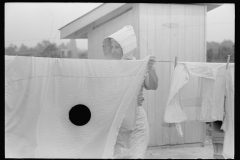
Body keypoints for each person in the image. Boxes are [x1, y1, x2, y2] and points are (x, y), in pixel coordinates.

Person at [102, 25, 158, 159]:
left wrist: (151, 68)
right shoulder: (108, 67)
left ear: (127, 47)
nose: (113, 50)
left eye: (117, 47)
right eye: (112, 47)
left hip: (137, 122)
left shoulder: (139, 65)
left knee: (135, 156)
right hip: (115, 120)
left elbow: (153, 86)